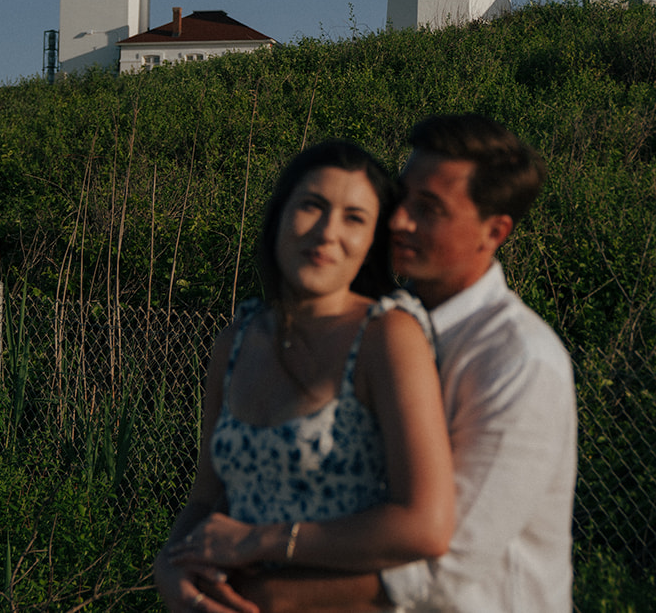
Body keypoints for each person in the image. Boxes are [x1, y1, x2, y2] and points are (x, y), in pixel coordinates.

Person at [237, 114, 577, 612]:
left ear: (493, 231)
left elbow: (444, 566)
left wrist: (263, 594)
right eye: (402, 197)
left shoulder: (518, 361)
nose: (398, 220)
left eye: (430, 208)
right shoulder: (373, 326)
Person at [153, 140, 456, 613]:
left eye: (354, 218)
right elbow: (205, 498)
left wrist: (261, 541)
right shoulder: (235, 341)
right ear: (278, 217)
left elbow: (425, 525)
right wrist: (171, 568)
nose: (327, 232)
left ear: (374, 240)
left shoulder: (386, 337)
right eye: (311, 206)